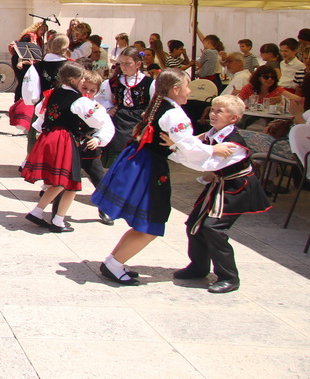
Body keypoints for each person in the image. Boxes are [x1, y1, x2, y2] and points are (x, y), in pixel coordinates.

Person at [92, 69, 239, 286]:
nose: (190, 90)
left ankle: (114, 262)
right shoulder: (174, 114)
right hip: (148, 168)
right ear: (176, 89)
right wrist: (213, 151)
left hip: (140, 163)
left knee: (146, 222)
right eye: (187, 86)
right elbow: (187, 147)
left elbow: (183, 143)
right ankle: (114, 264)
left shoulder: (161, 105)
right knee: (150, 222)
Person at [168, 95, 271, 293]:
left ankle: (229, 277)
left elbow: (205, 163)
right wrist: (174, 145)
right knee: (194, 224)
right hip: (221, 185)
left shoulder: (233, 143)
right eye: (212, 110)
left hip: (237, 188)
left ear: (233, 118)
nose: (212, 114)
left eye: (219, 111)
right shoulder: (213, 134)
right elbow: (194, 145)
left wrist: (173, 153)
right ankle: (198, 266)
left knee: (213, 228)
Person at [21, 62, 114, 232]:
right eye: (82, 79)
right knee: (68, 181)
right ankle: (54, 219)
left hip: (54, 138)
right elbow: (97, 120)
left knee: (65, 182)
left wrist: (99, 138)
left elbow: (40, 112)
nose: (83, 83)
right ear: (73, 80)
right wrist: (98, 109)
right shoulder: (78, 100)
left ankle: (45, 214)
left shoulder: (54, 93)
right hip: (65, 141)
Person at [96, 46, 155, 170]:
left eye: (128, 63)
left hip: (140, 119)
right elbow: (100, 98)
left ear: (138, 64)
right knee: (118, 150)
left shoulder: (149, 83)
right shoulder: (113, 82)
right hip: (120, 119)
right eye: (121, 63)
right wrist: (108, 108)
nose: (123, 67)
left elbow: (155, 101)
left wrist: (149, 114)